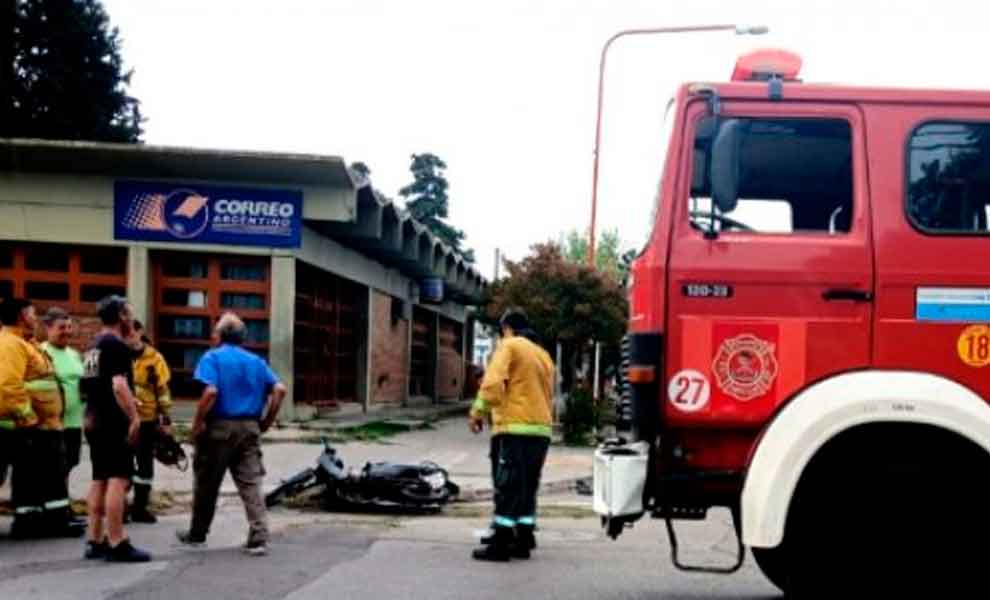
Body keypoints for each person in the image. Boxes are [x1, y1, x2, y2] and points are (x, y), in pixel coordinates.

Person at [176, 312, 286, 557]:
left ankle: (198, 534)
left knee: (207, 483)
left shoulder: (212, 357)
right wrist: (267, 420)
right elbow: (279, 389)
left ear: (220, 335)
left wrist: (196, 424)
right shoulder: (256, 361)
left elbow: (211, 393)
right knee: (251, 483)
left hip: (219, 428)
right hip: (249, 427)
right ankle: (258, 536)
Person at [469, 309, 555, 562]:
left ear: (506, 328)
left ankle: (501, 543)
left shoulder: (510, 345)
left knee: (508, 486)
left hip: (515, 428)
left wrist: (478, 411)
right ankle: (524, 537)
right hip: (541, 430)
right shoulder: (543, 354)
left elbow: (493, 384)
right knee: (527, 487)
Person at [0, 298, 82, 539]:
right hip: (33, 424)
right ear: (20, 316)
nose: (35, 318)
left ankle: (38, 520)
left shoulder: (26, 342)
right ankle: (42, 522)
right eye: (32, 314)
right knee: (46, 474)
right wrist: (28, 417)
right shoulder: (11, 344)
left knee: (40, 474)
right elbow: (8, 385)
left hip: (45, 423)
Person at [80, 295, 150, 562]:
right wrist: (134, 416)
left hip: (94, 418)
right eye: (129, 313)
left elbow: (89, 386)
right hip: (113, 422)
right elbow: (118, 385)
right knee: (118, 479)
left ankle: (95, 539)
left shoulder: (93, 346)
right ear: (121, 315)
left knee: (99, 478)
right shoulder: (115, 346)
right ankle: (117, 541)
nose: (132, 317)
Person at [127, 320, 173, 524]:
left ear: (139, 332)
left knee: (145, 465)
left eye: (130, 333)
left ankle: (140, 507)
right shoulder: (118, 354)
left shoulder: (154, 358)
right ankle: (118, 506)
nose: (127, 337)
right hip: (123, 420)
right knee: (122, 463)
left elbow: (163, 391)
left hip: (147, 419)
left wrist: (164, 419)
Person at [40, 307, 85, 491]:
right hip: (51, 425)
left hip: (74, 423)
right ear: (48, 328)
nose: (67, 331)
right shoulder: (40, 353)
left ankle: (62, 507)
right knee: (52, 468)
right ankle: (51, 508)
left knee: (68, 466)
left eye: (69, 327)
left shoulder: (74, 354)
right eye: (62, 327)